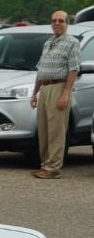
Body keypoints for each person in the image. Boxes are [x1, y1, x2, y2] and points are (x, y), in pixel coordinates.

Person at [30, 10, 79, 179]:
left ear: (67, 23)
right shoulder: (48, 43)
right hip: (45, 88)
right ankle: (45, 165)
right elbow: (40, 70)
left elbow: (74, 69)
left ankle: (53, 168)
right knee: (44, 129)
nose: (57, 23)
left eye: (61, 20)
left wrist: (65, 94)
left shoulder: (72, 42)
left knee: (56, 130)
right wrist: (35, 93)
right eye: (54, 20)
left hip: (59, 87)